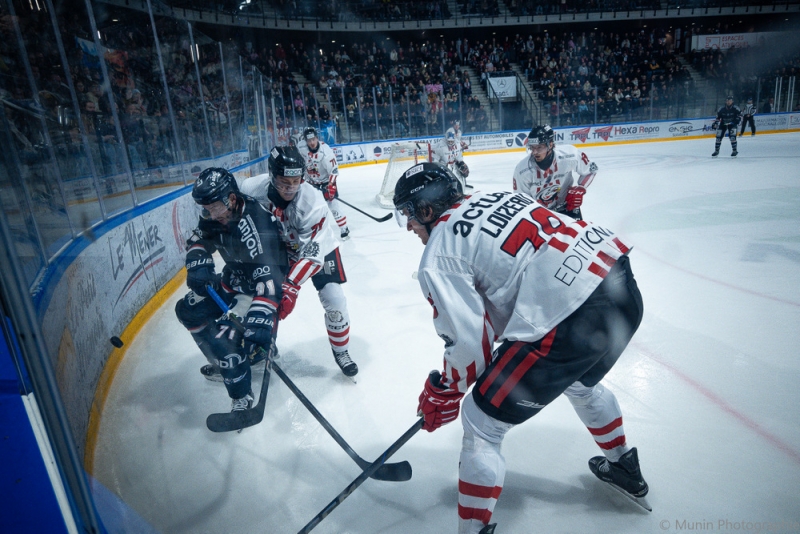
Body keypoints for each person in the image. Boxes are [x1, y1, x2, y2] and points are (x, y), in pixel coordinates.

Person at [393, 163, 648, 534]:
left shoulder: (440, 252)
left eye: (409, 213)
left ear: (427, 209)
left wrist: (446, 390)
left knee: (480, 422)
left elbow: (471, 347)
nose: (408, 225)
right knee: (580, 383)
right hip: (619, 284)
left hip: (571, 317)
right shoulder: (498, 195)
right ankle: (624, 465)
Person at [175, 168, 288, 412]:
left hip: (261, 290)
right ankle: (231, 361)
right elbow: (200, 238)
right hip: (234, 280)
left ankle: (241, 397)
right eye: (206, 208)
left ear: (232, 199)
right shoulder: (216, 213)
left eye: (215, 207)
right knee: (188, 310)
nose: (210, 214)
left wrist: (260, 317)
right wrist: (197, 261)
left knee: (225, 338)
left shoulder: (256, 224)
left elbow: (271, 278)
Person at [240, 146, 358, 378]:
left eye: (296, 182)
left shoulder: (312, 202)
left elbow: (313, 253)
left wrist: (291, 285)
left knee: (335, 299)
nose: (290, 188)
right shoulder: (252, 188)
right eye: (284, 182)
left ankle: (341, 351)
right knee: (264, 297)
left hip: (320, 249)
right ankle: (263, 345)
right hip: (281, 249)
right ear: (272, 176)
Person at [512, 124, 597, 221]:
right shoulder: (522, 170)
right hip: (539, 215)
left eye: (539, 147)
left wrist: (581, 188)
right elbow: (521, 201)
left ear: (551, 144)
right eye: (532, 147)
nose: (535, 152)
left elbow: (591, 170)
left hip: (567, 207)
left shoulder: (569, 155)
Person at [299, 127, 351, 240]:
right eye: (309, 140)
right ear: (305, 141)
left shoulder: (325, 151)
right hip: (310, 183)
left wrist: (331, 185)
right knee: (310, 208)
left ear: (317, 138)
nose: (312, 143)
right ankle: (312, 230)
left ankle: (344, 228)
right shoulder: (301, 147)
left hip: (326, 182)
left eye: (313, 139)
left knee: (333, 206)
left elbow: (334, 170)